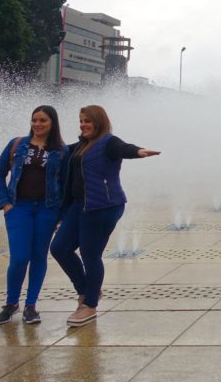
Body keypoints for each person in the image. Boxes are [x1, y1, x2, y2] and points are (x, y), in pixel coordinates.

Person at [50, 105, 160, 326]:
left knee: (90, 254)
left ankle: (89, 305)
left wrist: (138, 151)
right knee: (59, 248)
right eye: (81, 121)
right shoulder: (81, 145)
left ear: (99, 122)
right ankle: (86, 290)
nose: (83, 125)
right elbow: (58, 151)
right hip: (79, 205)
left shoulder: (108, 142)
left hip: (103, 207)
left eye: (87, 121)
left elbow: (123, 148)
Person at [0, 105, 70, 325]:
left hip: (47, 209)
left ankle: (31, 305)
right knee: (19, 257)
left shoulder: (62, 150)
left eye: (43, 120)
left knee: (38, 257)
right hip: (19, 208)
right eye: (34, 120)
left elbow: (65, 184)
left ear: (52, 123)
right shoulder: (16, 145)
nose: (37, 124)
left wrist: (61, 215)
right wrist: (4, 203)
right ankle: (11, 303)